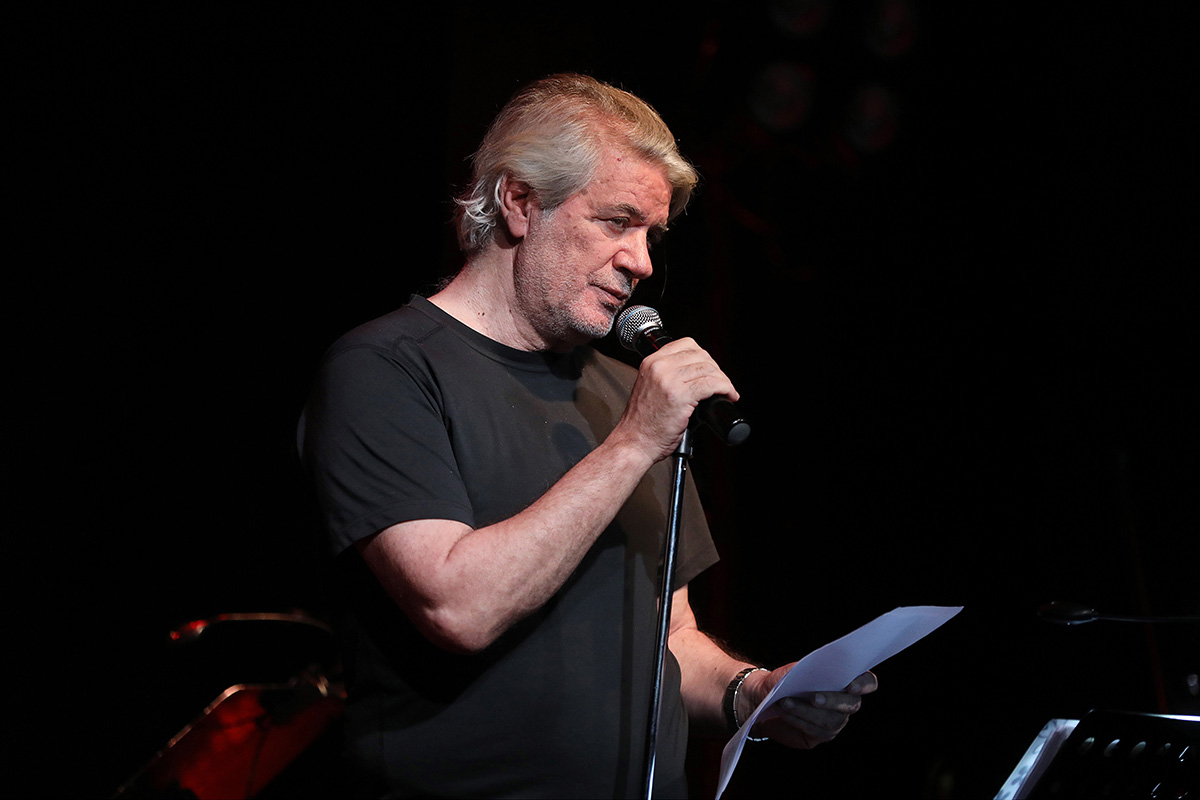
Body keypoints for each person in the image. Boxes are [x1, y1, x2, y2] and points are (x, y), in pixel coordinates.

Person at [300, 73, 876, 798]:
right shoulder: (386, 369)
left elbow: (670, 640)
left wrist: (753, 692)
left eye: (651, 234)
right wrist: (634, 442)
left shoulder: (629, 395)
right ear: (520, 202)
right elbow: (458, 608)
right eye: (617, 222)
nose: (642, 261)